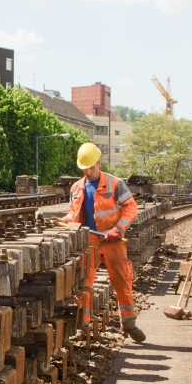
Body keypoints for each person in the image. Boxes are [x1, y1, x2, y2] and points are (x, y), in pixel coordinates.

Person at [64, 143, 145, 342]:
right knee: (84, 284)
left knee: (121, 280)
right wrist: (65, 221)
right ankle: (83, 325)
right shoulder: (76, 188)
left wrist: (118, 229)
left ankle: (129, 323)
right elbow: (73, 214)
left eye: (91, 167)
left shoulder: (115, 184)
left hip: (113, 241)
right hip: (89, 240)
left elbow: (131, 208)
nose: (88, 172)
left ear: (99, 163)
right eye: (84, 168)